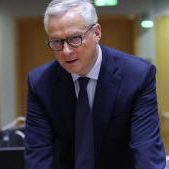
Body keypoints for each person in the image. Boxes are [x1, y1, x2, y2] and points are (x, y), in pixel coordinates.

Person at [24, 0, 166, 169]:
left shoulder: (137, 76)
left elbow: (146, 151)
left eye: (74, 38)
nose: (66, 51)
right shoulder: (40, 83)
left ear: (97, 32)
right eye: (56, 42)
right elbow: (38, 156)